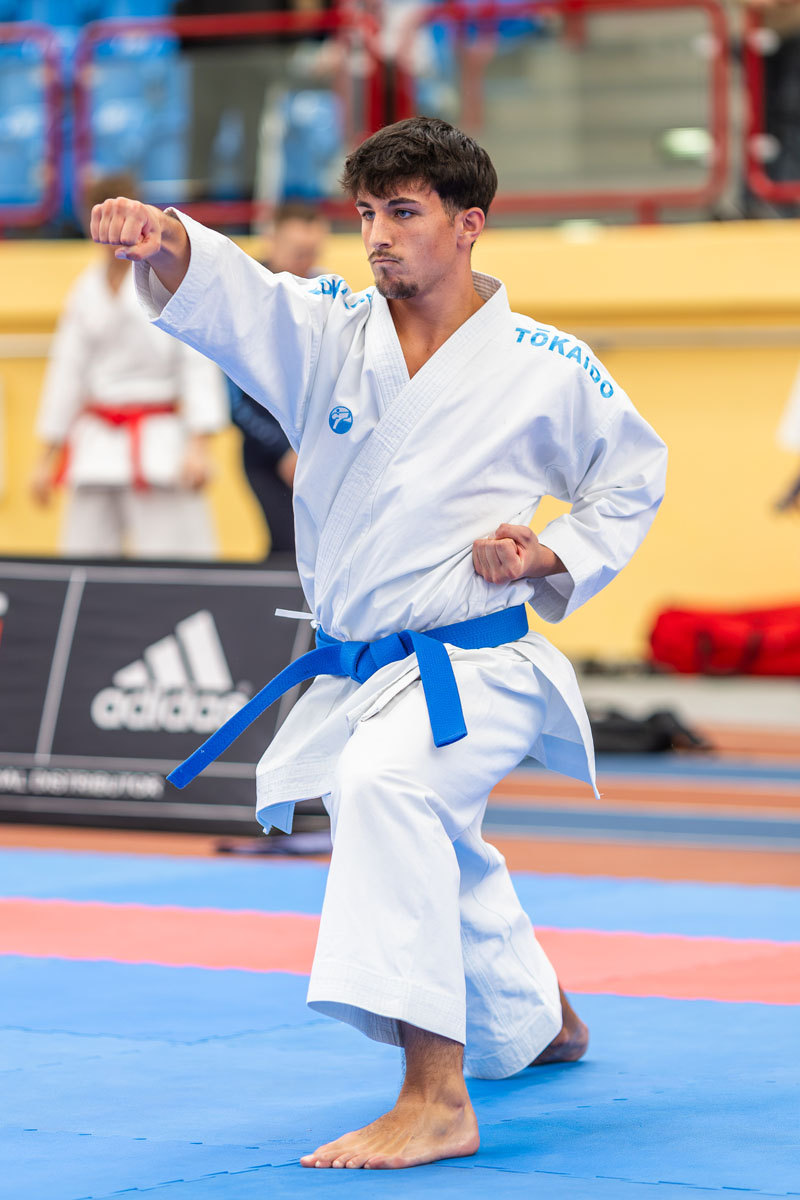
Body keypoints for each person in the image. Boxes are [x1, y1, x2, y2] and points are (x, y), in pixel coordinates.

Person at [90, 117, 667, 1170]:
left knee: (385, 787)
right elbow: (238, 296)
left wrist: (548, 554)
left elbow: (633, 478)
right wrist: (163, 236)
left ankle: (435, 1096)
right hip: (367, 667)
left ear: (469, 224)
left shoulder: (547, 365)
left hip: (477, 660)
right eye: (366, 213)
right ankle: (537, 1017)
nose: (376, 236)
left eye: (403, 212)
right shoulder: (328, 332)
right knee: (431, 835)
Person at [31, 175, 228, 559]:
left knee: (171, 562)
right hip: (96, 443)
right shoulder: (85, 290)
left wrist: (198, 446)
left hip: (160, 442)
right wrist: (45, 458)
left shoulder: (166, 279)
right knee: (84, 558)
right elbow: (67, 374)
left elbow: (196, 363)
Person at [228, 203, 329, 555]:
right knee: (287, 546)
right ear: (272, 241)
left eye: (312, 253)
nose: (306, 262)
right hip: (265, 452)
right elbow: (234, 399)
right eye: (298, 252)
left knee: (322, 549)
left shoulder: (325, 292)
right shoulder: (243, 294)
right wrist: (283, 451)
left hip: (314, 450)